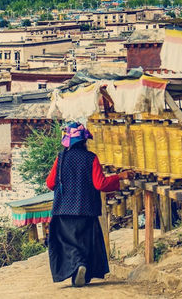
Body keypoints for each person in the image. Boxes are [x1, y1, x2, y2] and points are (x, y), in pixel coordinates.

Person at [46, 122, 133, 287]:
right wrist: (119, 177)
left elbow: (50, 184)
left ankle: (78, 267)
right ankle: (81, 267)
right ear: (84, 141)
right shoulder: (91, 158)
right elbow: (100, 184)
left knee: (67, 243)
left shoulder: (61, 157)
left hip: (63, 210)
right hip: (86, 209)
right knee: (84, 242)